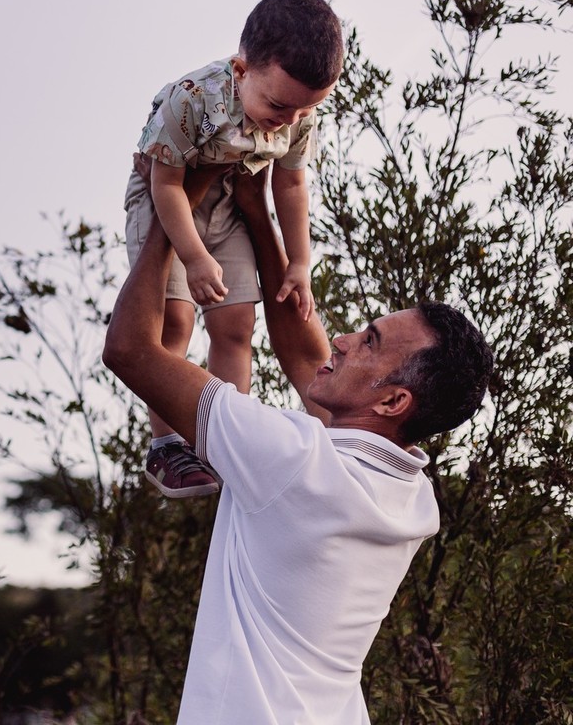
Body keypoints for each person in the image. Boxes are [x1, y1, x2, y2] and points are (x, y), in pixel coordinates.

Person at [102, 190, 494, 722]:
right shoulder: (412, 499)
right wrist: (258, 214)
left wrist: (169, 218)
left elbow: (130, 350)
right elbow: (307, 355)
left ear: (393, 401)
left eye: (371, 342)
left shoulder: (292, 460)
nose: (344, 338)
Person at [123, 0, 344, 497]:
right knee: (174, 318)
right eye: (279, 104)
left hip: (229, 207)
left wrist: (300, 262)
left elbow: (290, 184)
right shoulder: (192, 98)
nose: (289, 119)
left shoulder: (298, 113)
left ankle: (225, 441)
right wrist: (195, 258)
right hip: (168, 203)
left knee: (236, 322)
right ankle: (168, 447)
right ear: (242, 69)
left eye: (306, 107)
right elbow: (165, 185)